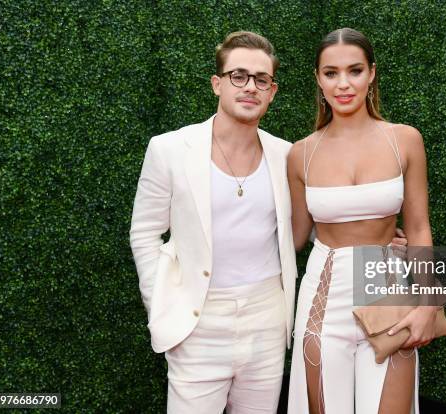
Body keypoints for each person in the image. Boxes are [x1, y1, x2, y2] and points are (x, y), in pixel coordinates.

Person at [130, 30, 410, 413]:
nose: (250, 87)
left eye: (261, 79)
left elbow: (306, 223)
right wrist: (161, 305)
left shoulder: (286, 154)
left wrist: (372, 238)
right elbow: (144, 233)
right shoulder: (169, 149)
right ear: (217, 84)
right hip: (197, 325)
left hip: (267, 324)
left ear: (272, 91)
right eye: (238, 76)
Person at [287, 28, 439, 414]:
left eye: (354, 71)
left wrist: (425, 301)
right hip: (323, 293)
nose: (343, 84)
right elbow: (294, 238)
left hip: (388, 291)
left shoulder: (404, 140)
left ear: (371, 73)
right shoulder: (300, 154)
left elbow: (419, 226)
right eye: (331, 73)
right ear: (318, 80)